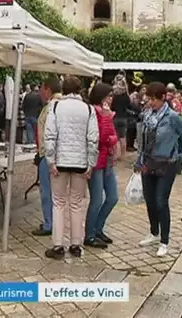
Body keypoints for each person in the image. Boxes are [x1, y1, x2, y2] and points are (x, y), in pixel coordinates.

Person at [135, 82, 182, 257]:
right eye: (148, 99)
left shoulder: (172, 117)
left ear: (162, 98)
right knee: (150, 200)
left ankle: (164, 241)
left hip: (166, 163)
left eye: (153, 99)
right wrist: (139, 161)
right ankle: (154, 232)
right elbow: (142, 140)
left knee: (161, 201)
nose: (150, 103)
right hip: (148, 162)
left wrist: (181, 158)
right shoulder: (146, 115)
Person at [44, 76, 99, 259]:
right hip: (81, 162)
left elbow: (50, 136)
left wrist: (50, 161)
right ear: (79, 89)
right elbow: (93, 139)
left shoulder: (56, 107)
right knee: (76, 203)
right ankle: (76, 244)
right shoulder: (88, 109)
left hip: (60, 160)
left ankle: (58, 245)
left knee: (58, 203)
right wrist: (91, 164)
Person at [84, 83, 120, 249]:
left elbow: (112, 134)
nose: (111, 99)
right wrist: (113, 140)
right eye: (109, 96)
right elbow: (104, 136)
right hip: (96, 161)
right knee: (97, 199)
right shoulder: (95, 113)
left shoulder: (106, 113)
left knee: (112, 197)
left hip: (107, 160)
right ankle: (90, 235)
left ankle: (98, 228)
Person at [31, 77, 62, 236]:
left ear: (48, 89)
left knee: (47, 191)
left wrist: (43, 153)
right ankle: (57, 222)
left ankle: (49, 223)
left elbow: (49, 134)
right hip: (60, 155)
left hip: (48, 155)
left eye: (41, 89)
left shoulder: (50, 107)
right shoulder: (62, 105)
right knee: (58, 193)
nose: (40, 93)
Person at [110, 73, 133, 159]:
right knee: (123, 137)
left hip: (115, 117)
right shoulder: (126, 96)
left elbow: (112, 107)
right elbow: (129, 106)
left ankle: (116, 155)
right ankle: (123, 155)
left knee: (115, 138)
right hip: (123, 118)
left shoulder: (114, 95)